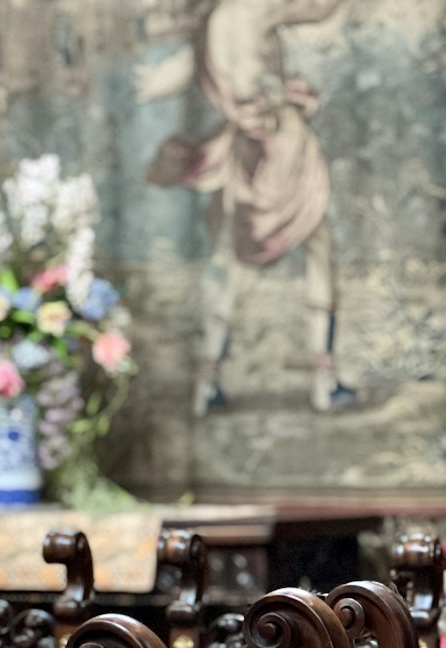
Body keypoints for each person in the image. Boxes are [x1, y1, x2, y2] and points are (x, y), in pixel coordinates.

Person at [136, 0, 357, 415]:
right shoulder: (253, 8)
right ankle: (324, 381)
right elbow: (318, 9)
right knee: (316, 245)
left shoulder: (215, 21)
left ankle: (207, 379)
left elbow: (185, 70)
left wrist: (156, 82)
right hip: (280, 147)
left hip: (243, 144)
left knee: (231, 256)